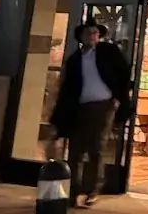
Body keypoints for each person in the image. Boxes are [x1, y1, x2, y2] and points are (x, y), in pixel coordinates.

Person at [49, 21, 132, 207]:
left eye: (95, 33)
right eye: (89, 33)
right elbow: (67, 88)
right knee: (76, 149)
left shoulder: (109, 53)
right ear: (81, 37)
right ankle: (73, 190)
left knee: (96, 147)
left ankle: (92, 189)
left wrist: (118, 98)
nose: (92, 36)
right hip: (80, 107)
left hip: (103, 106)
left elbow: (123, 75)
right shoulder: (75, 59)